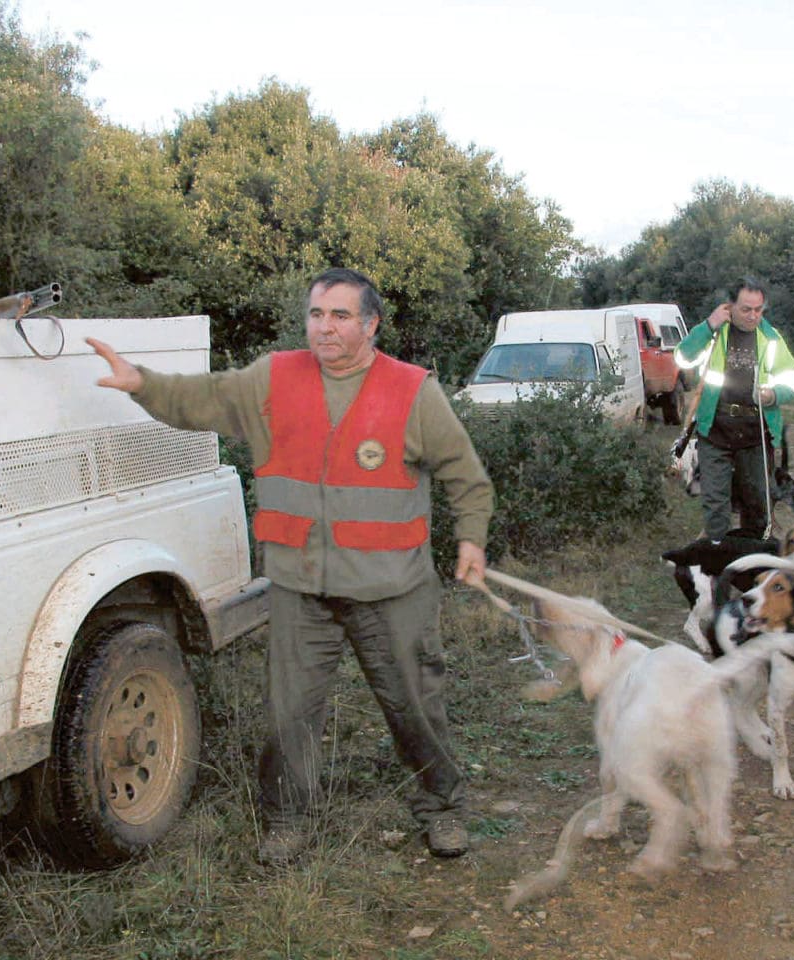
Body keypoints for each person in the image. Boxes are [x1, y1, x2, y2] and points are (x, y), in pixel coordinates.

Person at [86, 267, 494, 860]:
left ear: (371, 324)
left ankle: (444, 807)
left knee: (415, 707)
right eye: (316, 314)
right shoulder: (271, 379)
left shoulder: (412, 391)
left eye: (341, 316)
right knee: (288, 715)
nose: (325, 328)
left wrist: (472, 541)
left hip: (392, 589)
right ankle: (287, 820)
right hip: (300, 586)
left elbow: (467, 477)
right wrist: (141, 383)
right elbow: (202, 397)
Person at [674, 278, 794, 540]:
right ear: (730, 306)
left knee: (757, 506)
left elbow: (792, 379)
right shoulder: (714, 333)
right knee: (716, 505)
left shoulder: (771, 338)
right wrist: (709, 325)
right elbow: (682, 357)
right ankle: (716, 564)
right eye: (746, 309)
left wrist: (773, 395)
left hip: (756, 434)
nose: (753, 315)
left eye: (759, 309)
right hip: (715, 430)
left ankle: (752, 567)